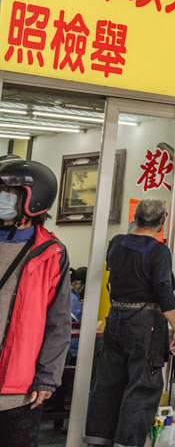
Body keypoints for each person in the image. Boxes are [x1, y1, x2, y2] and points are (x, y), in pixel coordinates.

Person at [84, 198, 175, 447]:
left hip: (115, 319)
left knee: (107, 383)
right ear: (164, 220)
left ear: (135, 218)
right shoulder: (159, 250)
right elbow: (163, 290)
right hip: (144, 323)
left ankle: (97, 439)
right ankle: (127, 443)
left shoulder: (117, 243)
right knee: (142, 386)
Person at [0, 159, 71, 446]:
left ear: (33, 199)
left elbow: (58, 323)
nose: (3, 197)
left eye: (9, 191)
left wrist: (47, 379)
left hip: (19, 391)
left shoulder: (51, 253)